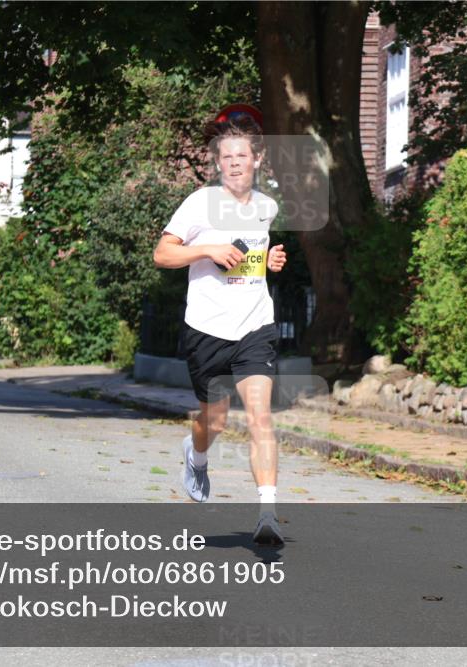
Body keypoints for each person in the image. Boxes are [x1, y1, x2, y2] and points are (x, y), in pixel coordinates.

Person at [152, 115, 288, 545]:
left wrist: (268, 263)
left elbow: (250, 257)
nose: (233, 164)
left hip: (254, 326)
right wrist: (206, 249)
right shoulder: (199, 204)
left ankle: (267, 512)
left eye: (241, 156)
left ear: (257, 159)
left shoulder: (267, 207)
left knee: (260, 416)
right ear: (217, 163)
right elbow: (162, 254)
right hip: (207, 329)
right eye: (226, 157)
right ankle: (196, 455)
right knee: (215, 421)